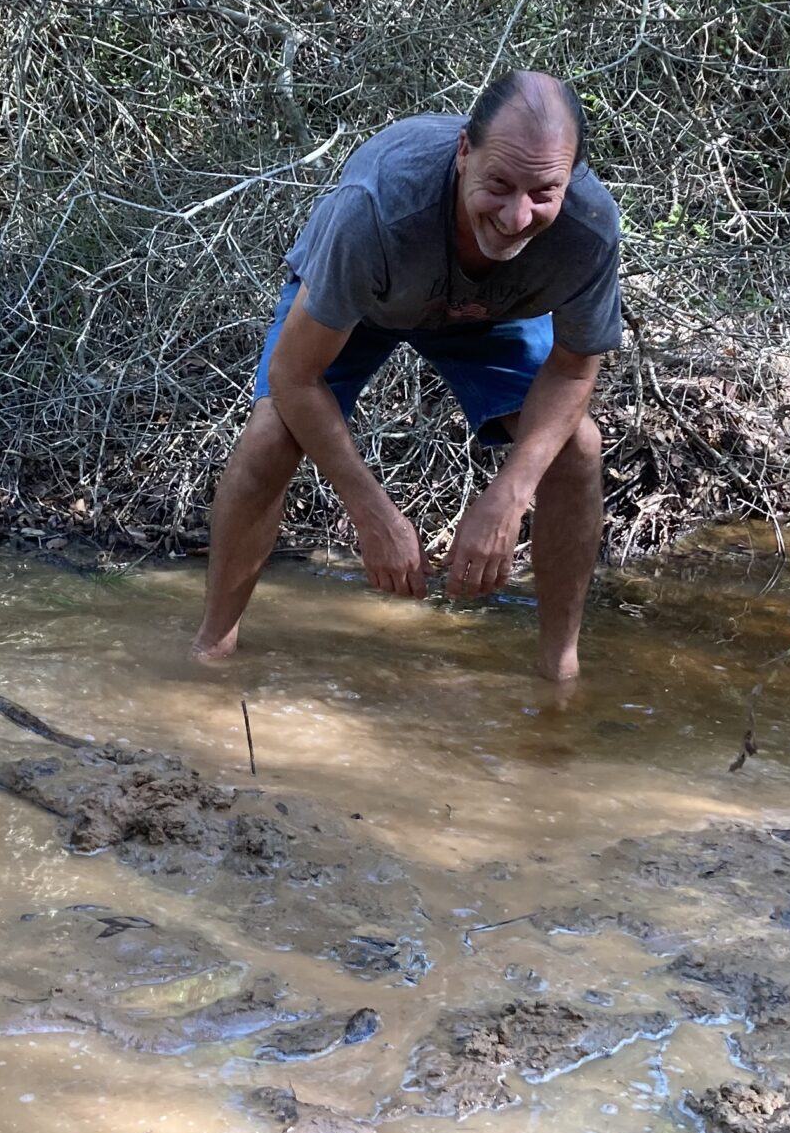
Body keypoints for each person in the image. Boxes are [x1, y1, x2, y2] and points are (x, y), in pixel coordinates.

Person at [192, 70, 621, 683]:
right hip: (363, 307)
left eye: (543, 193)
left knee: (578, 447)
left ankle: (560, 672)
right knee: (269, 436)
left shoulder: (588, 227)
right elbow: (295, 375)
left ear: (572, 177)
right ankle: (211, 651)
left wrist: (507, 497)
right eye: (499, 184)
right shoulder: (377, 206)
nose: (517, 215)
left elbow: (576, 365)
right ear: (464, 152)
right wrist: (372, 513)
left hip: (491, 315)